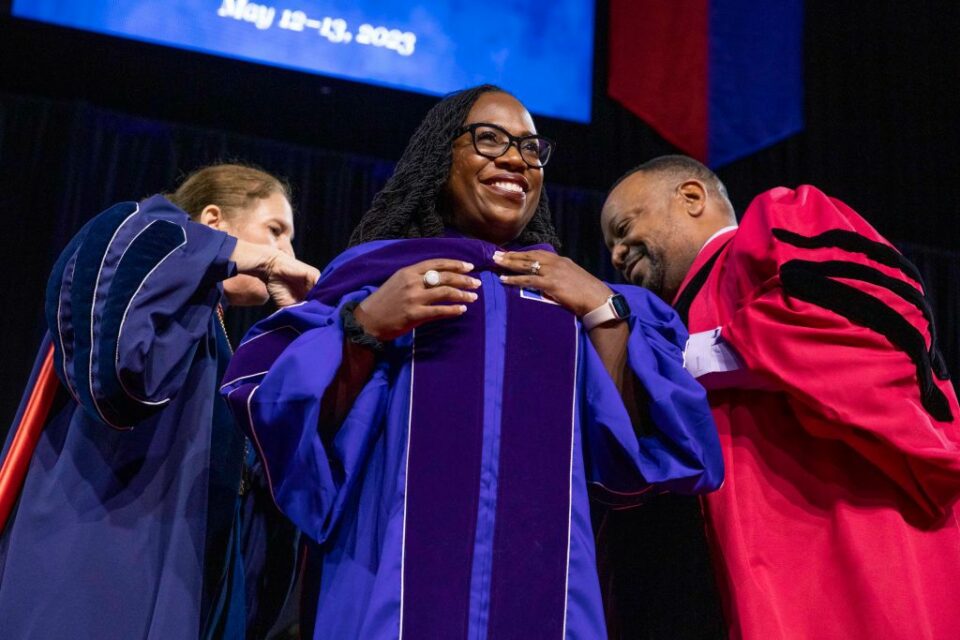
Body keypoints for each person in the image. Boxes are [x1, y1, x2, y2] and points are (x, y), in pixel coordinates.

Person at [220, 86, 724, 639]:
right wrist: (364, 327)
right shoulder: (370, 281)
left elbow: (641, 461)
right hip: (387, 597)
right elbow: (284, 427)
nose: (514, 159)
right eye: (489, 139)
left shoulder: (578, 300)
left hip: (549, 604)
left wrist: (603, 313)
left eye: (531, 149)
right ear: (441, 155)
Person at [600, 154, 960, 639]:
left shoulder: (780, 221)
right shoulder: (658, 320)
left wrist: (683, 359)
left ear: (691, 197)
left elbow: (861, 327)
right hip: (724, 579)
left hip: (833, 552)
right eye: (610, 246)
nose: (619, 253)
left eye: (624, 228)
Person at [0, 164, 320, 639]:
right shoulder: (139, 237)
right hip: (93, 558)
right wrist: (255, 260)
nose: (289, 254)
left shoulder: (216, 341)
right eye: (275, 231)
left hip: (176, 583)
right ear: (213, 221)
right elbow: (117, 371)